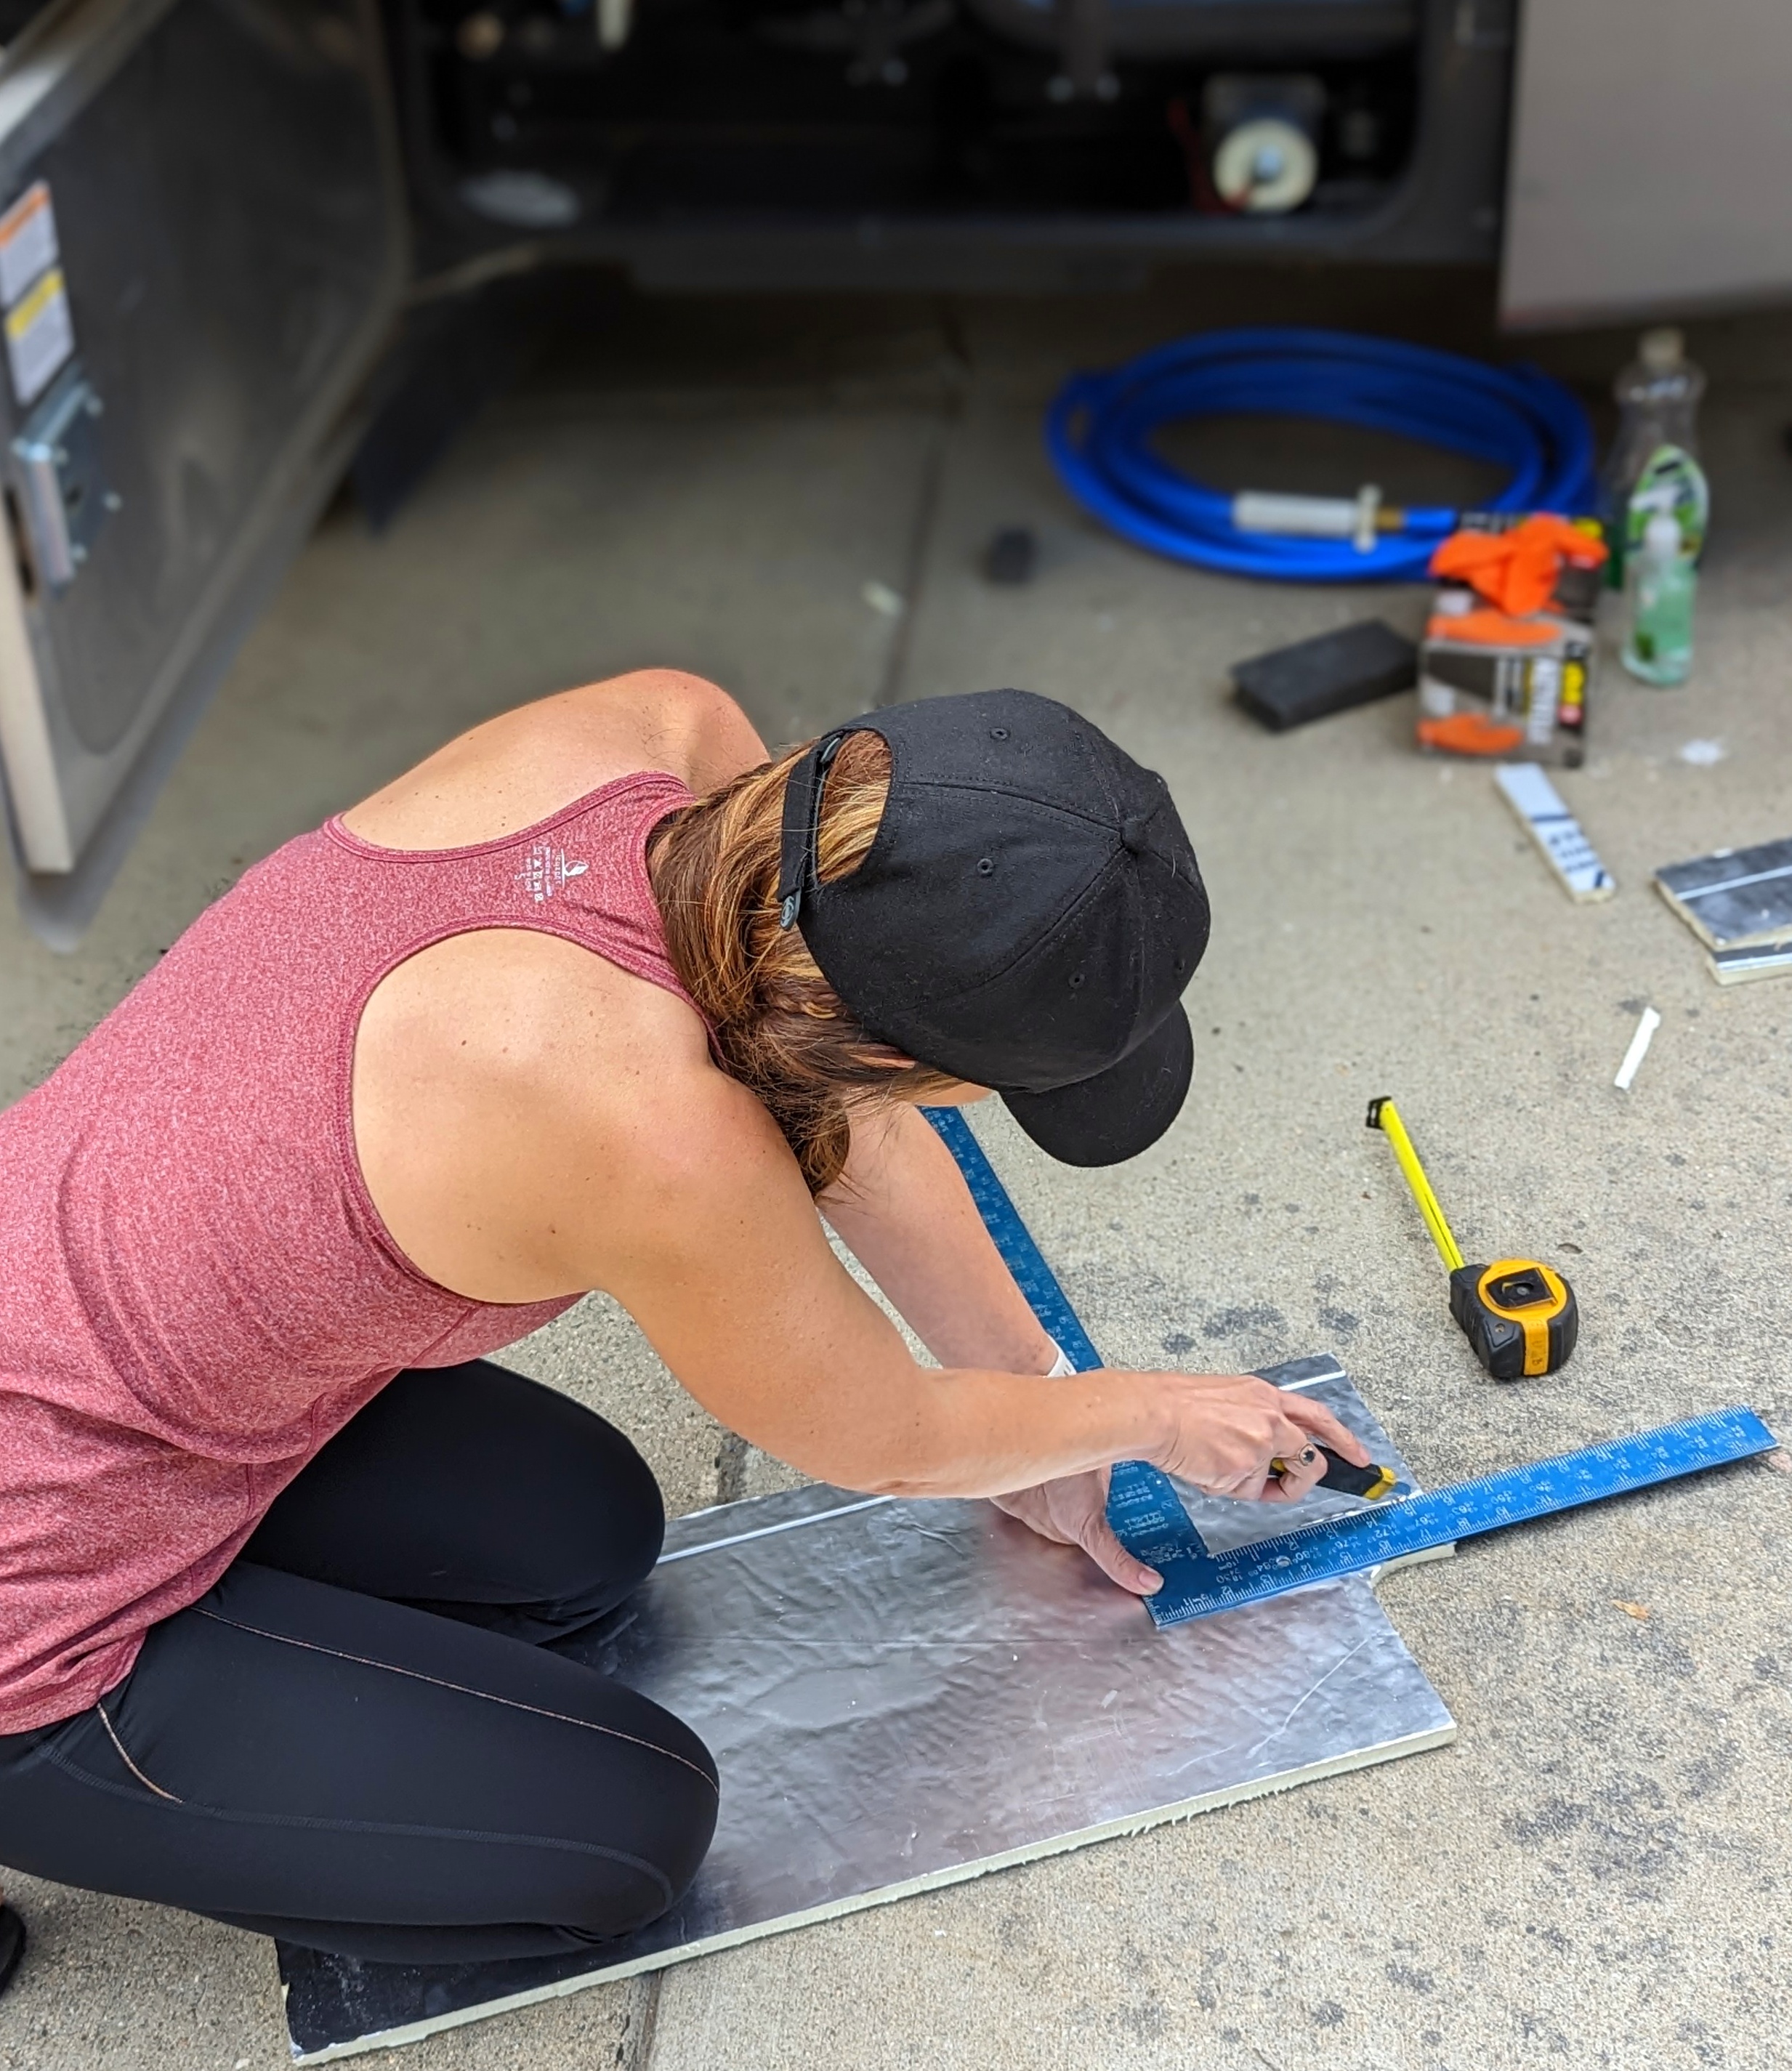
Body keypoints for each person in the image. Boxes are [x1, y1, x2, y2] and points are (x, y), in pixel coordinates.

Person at [0, 674, 1366, 1969]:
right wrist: (1149, 1413)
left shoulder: (669, 740)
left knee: (583, 1537)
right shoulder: (648, 1134)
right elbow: (885, 1434)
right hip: (30, 1609)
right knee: (630, 1833)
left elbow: (829, 1085)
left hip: (75, 1352)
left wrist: (1033, 1390)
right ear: (903, 1058)